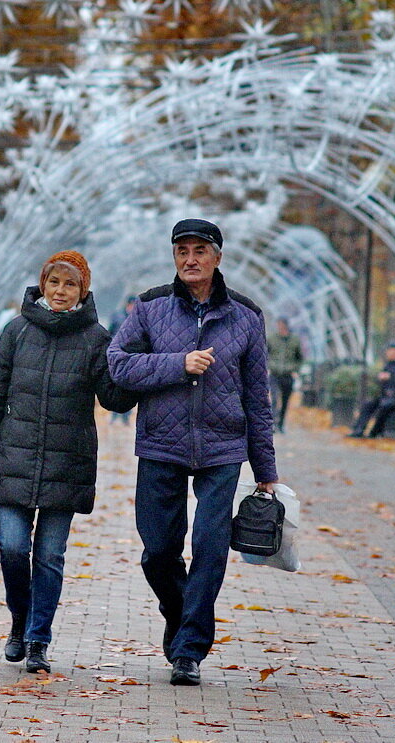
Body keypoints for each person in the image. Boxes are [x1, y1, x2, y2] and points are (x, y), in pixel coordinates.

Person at [107, 218, 280, 687]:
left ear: (217, 257)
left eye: (199, 250)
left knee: (209, 548)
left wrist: (265, 468)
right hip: (161, 444)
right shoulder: (149, 307)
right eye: (181, 250)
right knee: (158, 551)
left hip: (224, 448)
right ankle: (180, 613)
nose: (190, 259)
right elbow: (118, 364)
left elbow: (256, 396)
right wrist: (176, 365)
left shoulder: (246, 316)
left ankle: (189, 651)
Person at [0, 251, 136, 675]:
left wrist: (133, 361)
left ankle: (38, 639)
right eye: (54, 282)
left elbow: (113, 399)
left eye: (70, 284)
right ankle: (19, 623)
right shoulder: (16, 332)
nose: (61, 291)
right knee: (14, 548)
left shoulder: (96, 338)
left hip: (67, 464)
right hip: (13, 459)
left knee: (49, 556)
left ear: (83, 290)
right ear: (43, 284)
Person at [349, 340, 395, 439]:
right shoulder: (389, 364)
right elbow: (383, 381)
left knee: (385, 406)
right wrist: (381, 378)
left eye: (389, 350)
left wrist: (394, 389)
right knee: (368, 405)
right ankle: (358, 430)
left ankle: (374, 433)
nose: (387, 353)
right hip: (387, 396)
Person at [266, 317, 303, 433]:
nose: (280, 327)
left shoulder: (295, 340)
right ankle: (273, 423)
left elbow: (299, 357)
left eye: (281, 325)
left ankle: (281, 424)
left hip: (288, 375)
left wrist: (295, 369)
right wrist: (268, 366)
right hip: (275, 373)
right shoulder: (272, 339)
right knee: (275, 397)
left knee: (285, 400)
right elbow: (265, 353)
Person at [107, 295, 139, 425]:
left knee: (129, 388)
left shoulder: (139, 319)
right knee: (115, 386)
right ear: (128, 305)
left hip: (131, 358)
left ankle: (126, 418)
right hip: (117, 357)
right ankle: (114, 416)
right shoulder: (117, 317)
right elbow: (109, 333)